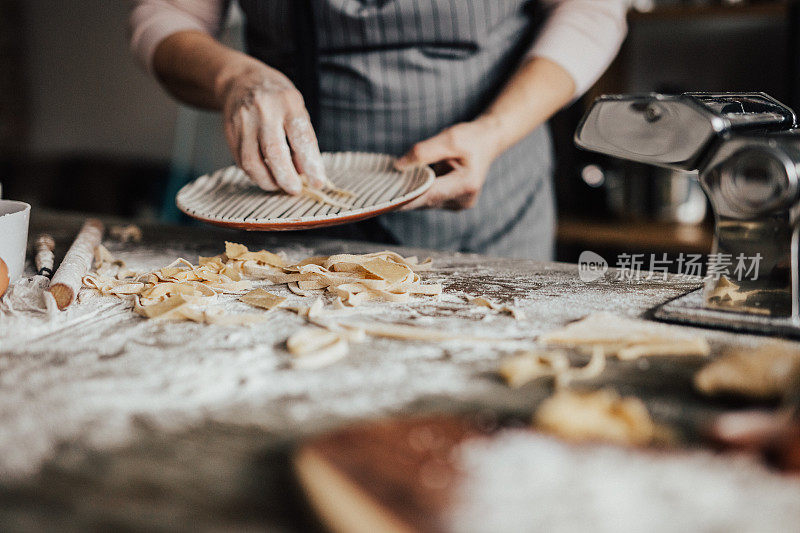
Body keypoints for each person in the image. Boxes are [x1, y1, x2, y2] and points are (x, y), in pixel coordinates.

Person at [130, 0, 627, 259]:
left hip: (488, 211)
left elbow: (592, 9)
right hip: (290, 213)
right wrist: (233, 76)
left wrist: (494, 131)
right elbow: (167, 14)